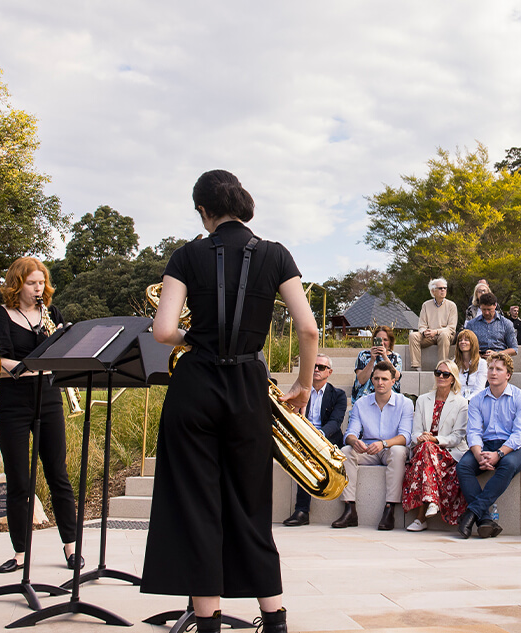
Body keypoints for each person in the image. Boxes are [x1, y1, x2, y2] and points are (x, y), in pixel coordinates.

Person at [137, 170, 317, 632]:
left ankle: (208, 623)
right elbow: (308, 329)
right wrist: (303, 384)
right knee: (250, 502)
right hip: (247, 384)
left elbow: (162, 331)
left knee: (197, 506)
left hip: (196, 383)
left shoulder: (187, 255)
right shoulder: (276, 254)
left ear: (203, 210)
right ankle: (273, 619)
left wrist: (193, 338)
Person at [0, 256, 81, 573]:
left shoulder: (51, 314)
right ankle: (21, 554)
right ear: (17, 284)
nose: (38, 288)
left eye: (41, 283)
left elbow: (61, 355)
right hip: (13, 399)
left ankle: (72, 549)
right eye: (32, 283)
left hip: (48, 396)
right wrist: (24, 366)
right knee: (19, 480)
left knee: (58, 475)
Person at [332, 362, 413, 531]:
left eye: (384, 379)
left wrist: (383, 444)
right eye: (376, 378)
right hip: (368, 449)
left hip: (391, 447)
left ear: (393, 382)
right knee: (346, 451)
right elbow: (350, 433)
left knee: (398, 452)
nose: (380, 382)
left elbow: (405, 437)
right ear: (372, 380)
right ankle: (350, 509)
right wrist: (355, 442)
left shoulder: (405, 403)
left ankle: (390, 509)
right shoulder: (361, 403)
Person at [457, 354, 521, 539]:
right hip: (485, 445)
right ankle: (485, 519)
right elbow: (473, 432)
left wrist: (499, 454)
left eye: (499, 369)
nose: (493, 372)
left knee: (509, 465)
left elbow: (519, 434)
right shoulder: (477, 399)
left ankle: (471, 513)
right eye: (490, 368)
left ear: (508, 375)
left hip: (512, 448)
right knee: (463, 466)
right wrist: (478, 454)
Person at [403, 360, 470, 532]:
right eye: (438, 372)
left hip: (449, 452)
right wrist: (422, 437)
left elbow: (457, 437)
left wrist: (435, 440)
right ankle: (431, 500)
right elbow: (415, 432)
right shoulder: (423, 400)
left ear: (453, 379)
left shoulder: (461, 403)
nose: (441, 376)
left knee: (427, 450)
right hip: (425, 449)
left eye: (445, 374)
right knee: (426, 449)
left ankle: (421, 517)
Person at [282, 354, 348, 526]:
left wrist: (317, 436)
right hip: (304, 438)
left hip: (327, 439)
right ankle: (302, 511)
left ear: (330, 372)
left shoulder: (338, 395)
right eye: (314, 366)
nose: (317, 369)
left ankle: (302, 510)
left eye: (321, 367)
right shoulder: (300, 392)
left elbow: (335, 422)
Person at [407, 278, 458, 370]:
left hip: (445, 335)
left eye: (445, 288)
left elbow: (451, 327)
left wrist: (436, 331)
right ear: (433, 291)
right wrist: (424, 332)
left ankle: (442, 366)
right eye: (440, 288)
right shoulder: (426, 305)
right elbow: (422, 325)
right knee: (413, 336)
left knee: (444, 335)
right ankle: (416, 366)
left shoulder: (451, 305)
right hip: (429, 336)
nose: (443, 290)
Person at [352, 326, 403, 402]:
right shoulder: (363, 355)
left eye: (385, 340)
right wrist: (372, 360)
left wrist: (385, 357)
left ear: (390, 342)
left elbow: (396, 377)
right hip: (365, 398)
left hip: (388, 398)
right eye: (379, 339)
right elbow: (361, 380)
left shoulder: (395, 357)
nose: (382, 343)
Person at [453, 330, 488, 398]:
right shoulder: (453, 363)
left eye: (466, 340)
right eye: (460, 340)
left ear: (473, 343)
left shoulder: (482, 363)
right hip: (457, 400)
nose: (462, 342)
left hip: (476, 400)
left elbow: (479, 389)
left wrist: (467, 401)